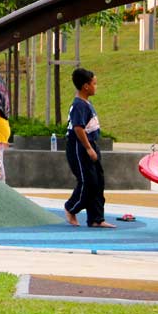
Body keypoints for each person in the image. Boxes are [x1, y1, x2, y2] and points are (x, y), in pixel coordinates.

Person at [63, 68, 114, 229]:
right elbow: (78, 128)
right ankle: (71, 207)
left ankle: (96, 218)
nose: (95, 87)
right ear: (86, 86)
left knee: (98, 181)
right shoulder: (79, 105)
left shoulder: (86, 103)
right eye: (94, 84)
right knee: (88, 182)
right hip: (79, 145)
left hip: (91, 143)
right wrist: (88, 148)